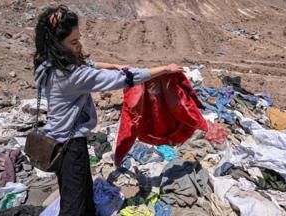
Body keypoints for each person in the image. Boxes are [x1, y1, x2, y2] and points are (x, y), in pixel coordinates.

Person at [33, 5, 183, 216]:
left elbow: (89, 64)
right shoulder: (72, 75)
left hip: (58, 140)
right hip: (69, 145)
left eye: (79, 39)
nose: (79, 46)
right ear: (57, 44)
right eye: (73, 42)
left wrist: (109, 64)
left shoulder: (46, 63)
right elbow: (123, 79)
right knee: (73, 206)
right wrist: (164, 69)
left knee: (83, 192)